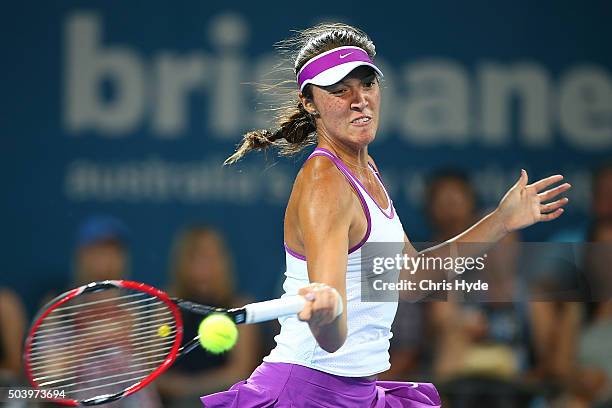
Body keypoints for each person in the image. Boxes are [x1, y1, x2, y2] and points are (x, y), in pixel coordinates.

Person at [201, 23, 570, 407]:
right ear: (309, 103)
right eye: (339, 90)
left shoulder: (366, 169)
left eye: (367, 84)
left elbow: (409, 278)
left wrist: (502, 220)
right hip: (307, 391)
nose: (359, 99)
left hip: (354, 391)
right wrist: (325, 316)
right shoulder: (324, 180)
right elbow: (332, 339)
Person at [157, 225, 260, 407]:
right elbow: (154, 372)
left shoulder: (239, 306)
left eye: (210, 257)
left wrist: (191, 389)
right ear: (182, 263)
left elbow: (240, 371)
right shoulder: (167, 308)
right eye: (195, 257)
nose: (203, 265)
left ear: (223, 261)